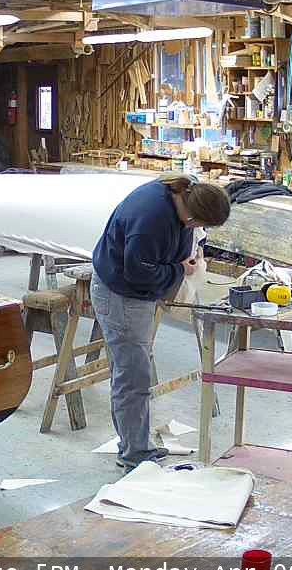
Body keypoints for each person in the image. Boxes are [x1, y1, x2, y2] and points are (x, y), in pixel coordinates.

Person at [90, 173, 231, 470]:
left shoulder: (185, 190)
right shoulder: (151, 217)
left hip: (132, 292)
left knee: (133, 371)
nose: (194, 229)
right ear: (190, 215)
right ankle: (134, 455)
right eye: (195, 225)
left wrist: (186, 257)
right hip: (121, 295)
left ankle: (134, 446)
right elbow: (137, 272)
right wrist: (178, 270)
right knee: (133, 377)